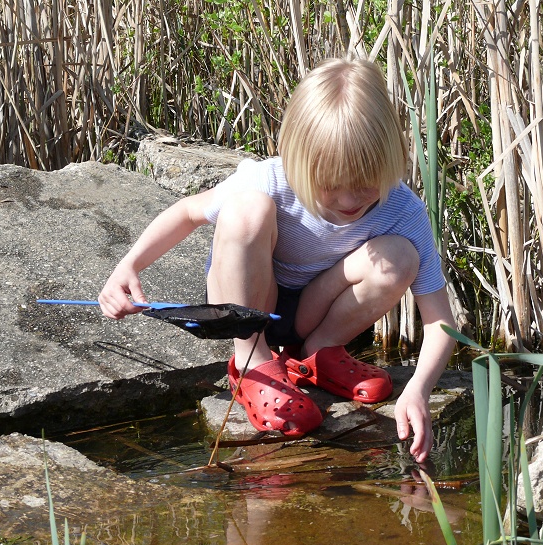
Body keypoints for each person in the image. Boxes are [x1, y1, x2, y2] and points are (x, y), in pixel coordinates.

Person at [98, 58, 456, 463]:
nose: (349, 201)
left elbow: (440, 323)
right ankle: (252, 359)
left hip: (313, 310)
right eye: (330, 187)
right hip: (249, 298)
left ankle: (319, 353)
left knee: (398, 256)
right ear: (296, 160)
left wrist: (419, 389)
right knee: (246, 210)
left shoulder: (404, 211)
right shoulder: (269, 178)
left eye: (364, 185)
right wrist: (128, 267)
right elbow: (186, 213)